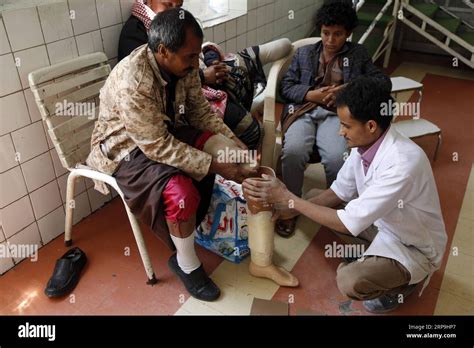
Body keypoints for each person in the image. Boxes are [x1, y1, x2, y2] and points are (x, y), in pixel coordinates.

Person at [86, 8, 257, 302]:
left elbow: (200, 113)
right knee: (181, 192)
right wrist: (215, 166)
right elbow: (156, 147)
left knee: (214, 144)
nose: (196, 63)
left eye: (195, 56)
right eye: (190, 57)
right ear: (163, 51)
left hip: (162, 131)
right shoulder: (135, 81)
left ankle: (190, 230)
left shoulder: (184, 66)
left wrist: (235, 146)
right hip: (125, 149)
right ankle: (187, 264)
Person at [243, 76, 447, 313]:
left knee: (349, 281)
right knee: (314, 198)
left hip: (413, 245)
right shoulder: (366, 146)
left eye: (346, 126)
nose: (340, 132)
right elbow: (337, 192)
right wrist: (291, 207)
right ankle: (375, 259)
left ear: (371, 125)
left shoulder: (403, 162)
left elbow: (346, 222)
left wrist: (289, 198)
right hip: (384, 224)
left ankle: (402, 285)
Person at [276, 1, 391, 237]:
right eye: (326, 33)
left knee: (338, 158)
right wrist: (310, 94)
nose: (330, 40)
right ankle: (291, 208)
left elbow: (382, 81)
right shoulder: (305, 53)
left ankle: (334, 210)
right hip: (303, 110)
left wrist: (348, 89)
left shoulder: (358, 54)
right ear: (320, 31)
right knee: (293, 152)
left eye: (338, 34)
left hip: (336, 116)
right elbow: (284, 87)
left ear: (348, 33)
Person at [118, 0, 291, 150]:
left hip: (196, 81)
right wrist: (203, 76)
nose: (175, 12)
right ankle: (247, 66)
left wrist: (204, 68)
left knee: (214, 56)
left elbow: (200, 110)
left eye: (179, 6)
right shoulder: (135, 46)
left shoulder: (183, 43)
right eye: (168, 5)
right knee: (250, 131)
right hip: (189, 94)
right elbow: (160, 142)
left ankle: (244, 61)